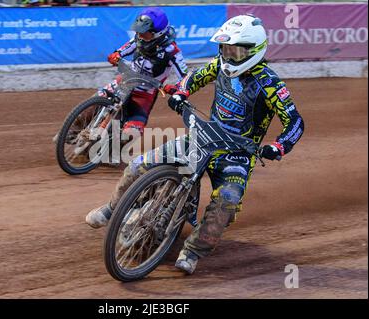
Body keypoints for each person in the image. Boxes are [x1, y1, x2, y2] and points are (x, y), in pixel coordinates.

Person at [86, 14, 305, 275]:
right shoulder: (219, 64)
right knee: (138, 164)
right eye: (225, 48)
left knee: (227, 200)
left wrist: (279, 147)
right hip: (204, 136)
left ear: (253, 50)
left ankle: (192, 251)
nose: (228, 54)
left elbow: (295, 122)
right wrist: (181, 92)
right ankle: (113, 208)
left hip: (236, 154)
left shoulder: (270, 83)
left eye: (235, 50)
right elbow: (194, 77)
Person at [52, 7, 187, 144]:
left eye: (144, 33)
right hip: (124, 81)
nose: (140, 35)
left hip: (144, 95)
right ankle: (70, 132)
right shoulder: (138, 39)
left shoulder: (173, 53)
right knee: (97, 100)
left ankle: (109, 153)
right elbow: (122, 51)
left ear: (157, 34)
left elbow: (186, 78)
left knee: (131, 133)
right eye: (138, 31)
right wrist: (115, 55)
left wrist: (176, 89)